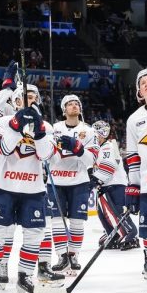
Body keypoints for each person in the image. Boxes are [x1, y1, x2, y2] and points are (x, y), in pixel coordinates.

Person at [0, 83, 56, 293]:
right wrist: (15, 125)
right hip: (4, 187)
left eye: (33, 96)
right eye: (25, 96)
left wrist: (39, 132)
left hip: (34, 190)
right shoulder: (2, 121)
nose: (30, 100)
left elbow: (46, 155)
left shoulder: (47, 126)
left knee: (34, 236)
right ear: (16, 100)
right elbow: (2, 148)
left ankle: (24, 280)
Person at [48, 94, 97, 275]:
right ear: (64, 109)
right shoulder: (54, 129)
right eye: (69, 104)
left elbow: (91, 160)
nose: (74, 106)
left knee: (77, 221)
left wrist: (78, 148)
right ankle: (62, 256)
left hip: (79, 181)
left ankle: (73, 255)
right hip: (56, 181)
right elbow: (46, 154)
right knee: (57, 220)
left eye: (77, 103)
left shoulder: (89, 131)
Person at [91, 120, 138, 250]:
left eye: (95, 134)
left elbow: (109, 167)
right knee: (104, 214)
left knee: (117, 212)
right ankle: (114, 235)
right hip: (105, 185)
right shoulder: (98, 149)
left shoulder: (108, 147)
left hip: (115, 185)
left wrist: (94, 180)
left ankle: (131, 235)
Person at [125, 68, 147, 279]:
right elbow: (133, 157)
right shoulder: (134, 120)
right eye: (143, 83)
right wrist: (133, 186)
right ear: (139, 91)